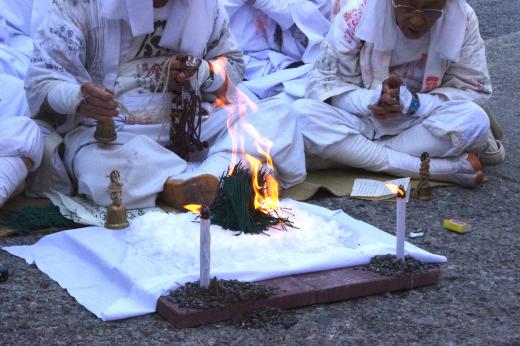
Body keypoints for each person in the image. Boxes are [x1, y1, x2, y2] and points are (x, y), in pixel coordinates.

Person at [25, 0, 306, 210]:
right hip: (116, 135)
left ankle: (206, 178)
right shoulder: (82, 5)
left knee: (279, 115)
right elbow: (42, 81)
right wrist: (77, 97)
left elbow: (232, 65)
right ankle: (203, 181)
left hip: (193, 126)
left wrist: (202, 72)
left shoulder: (205, 6)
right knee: (106, 171)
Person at [291, 0, 505, 187]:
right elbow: (323, 82)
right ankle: (437, 169)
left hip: (420, 125)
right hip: (359, 120)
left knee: (475, 121)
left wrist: (414, 104)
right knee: (299, 115)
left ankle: (348, 156)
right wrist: (370, 100)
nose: (418, 21)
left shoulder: (462, 19)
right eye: (408, 6)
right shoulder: (357, 14)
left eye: (430, 9)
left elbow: (473, 90)